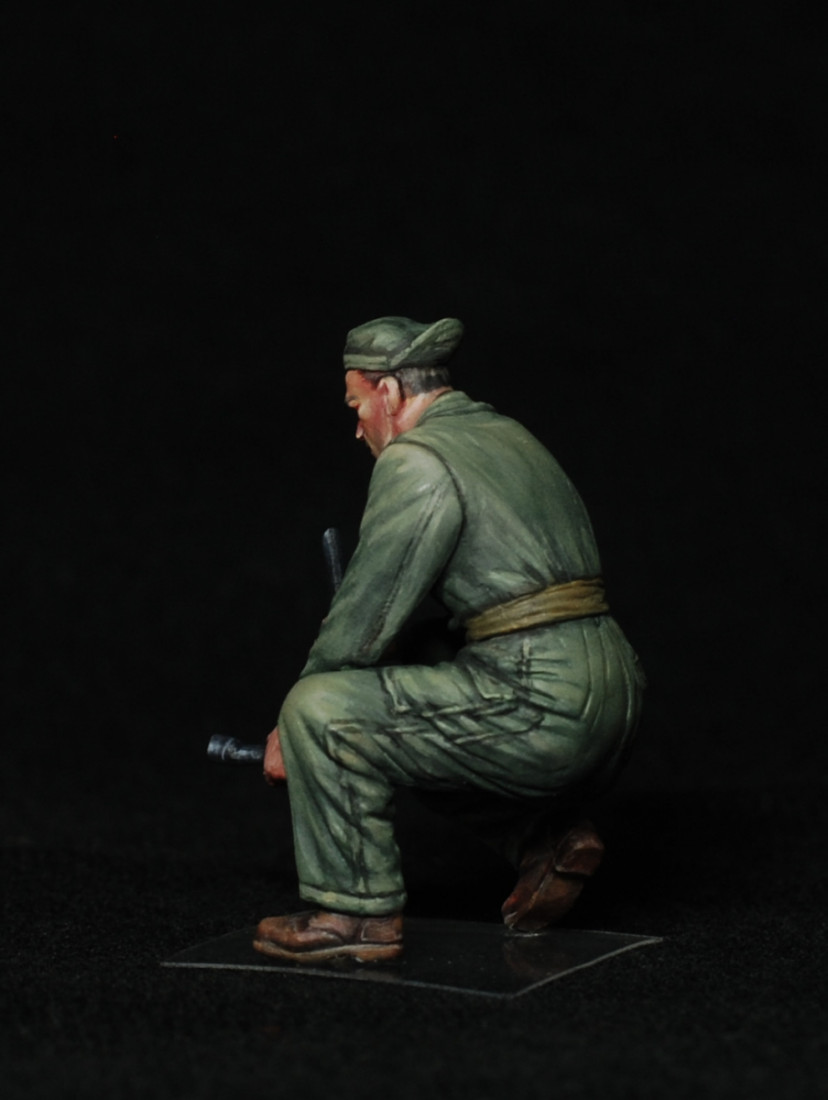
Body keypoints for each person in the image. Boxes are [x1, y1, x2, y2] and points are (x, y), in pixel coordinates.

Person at [253, 316, 645, 964]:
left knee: (320, 712)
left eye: (356, 406)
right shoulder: (506, 435)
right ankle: (544, 843)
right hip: (614, 687)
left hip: (546, 704)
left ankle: (355, 914)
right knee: (412, 673)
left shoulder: (418, 460)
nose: (357, 428)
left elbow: (366, 613)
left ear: (387, 392)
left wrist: (290, 724)